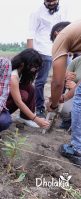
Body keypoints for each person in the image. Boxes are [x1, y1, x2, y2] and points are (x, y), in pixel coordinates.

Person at [46, 19, 81, 166]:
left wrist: (53, 105)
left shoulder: (62, 37)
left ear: (57, 34)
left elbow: (57, 82)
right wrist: (63, 97)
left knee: (79, 99)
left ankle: (78, 151)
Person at [27, 0, 68, 118]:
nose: (50, 3)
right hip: (44, 51)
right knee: (41, 81)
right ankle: (40, 108)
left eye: (53, 0)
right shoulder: (36, 13)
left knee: (65, 78)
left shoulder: (62, 10)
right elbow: (30, 35)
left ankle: (57, 104)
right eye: (48, 1)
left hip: (60, 50)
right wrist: (31, 55)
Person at [6, 49, 50, 129]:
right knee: (23, 96)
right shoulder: (13, 76)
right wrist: (36, 119)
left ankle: (25, 117)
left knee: (29, 87)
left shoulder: (19, 72)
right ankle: (3, 115)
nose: (34, 70)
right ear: (22, 63)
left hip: (5, 97)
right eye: (33, 67)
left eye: (36, 68)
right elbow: (18, 102)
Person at [59, 56, 81, 130]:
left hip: (77, 93)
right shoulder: (78, 60)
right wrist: (67, 78)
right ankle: (68, 122)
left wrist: (77, 88)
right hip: (75, 96)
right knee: (63, 109)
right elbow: (63, 77)